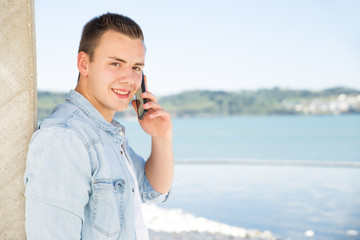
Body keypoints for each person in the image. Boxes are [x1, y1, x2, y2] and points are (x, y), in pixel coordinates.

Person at [24, 12, 174, 240]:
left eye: (136, 67)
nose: (129, 79)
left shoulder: (106, 132)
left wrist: (161, 137)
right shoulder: (66, 137)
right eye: (116, 63)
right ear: (84, 64)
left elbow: (152, 190)